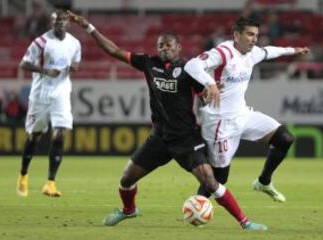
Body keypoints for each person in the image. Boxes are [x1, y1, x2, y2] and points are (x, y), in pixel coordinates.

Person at [68, 11, 267, 230]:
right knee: (126, 180)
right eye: (161, 45)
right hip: (159, 138)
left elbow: (205, 96)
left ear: (179, 47)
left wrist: (210, 92)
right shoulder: (148, 63)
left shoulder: (190, 71)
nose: (165, 48)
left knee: (210, 182)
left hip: (186, 139)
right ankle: (129, 210)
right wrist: (88, 27)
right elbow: (113, 50)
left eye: (170, 45)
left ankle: (244, 222)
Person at [184, 17, 310, 202]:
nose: (254, 39)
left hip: (243, 115)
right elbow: (191, 65)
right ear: (237, 35)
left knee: (284, 138)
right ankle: (196, 206)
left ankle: (264, 181)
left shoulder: (253, 53)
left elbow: (269, 51)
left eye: (256, 35)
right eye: (250, 34)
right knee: (218, 179)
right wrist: (210, 83)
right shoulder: (223, 52)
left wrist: (293, 50)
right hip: (220, 122)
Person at [16, 10, 81, 197]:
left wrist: (73, 68)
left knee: (61, 131)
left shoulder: (75, 43)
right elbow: (23, 64)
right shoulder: (41, 42)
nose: (60, 23)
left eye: (63, 20)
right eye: (56, 20)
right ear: (51, 23)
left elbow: (75, 63)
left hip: (61, 92)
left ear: (68, 23)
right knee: (35, 136)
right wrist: (45, 70)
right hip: (40, 94)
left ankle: (50, 182)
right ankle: (23, 175)